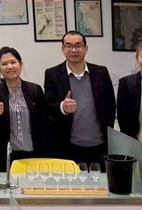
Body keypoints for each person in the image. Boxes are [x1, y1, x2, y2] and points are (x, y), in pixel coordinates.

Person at [44, 30, 116, 166]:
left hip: (100, 144)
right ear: (62, 49)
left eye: (78, 45)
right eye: (69, 46)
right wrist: (63, 107)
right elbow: (48, 106)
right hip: (68, 145)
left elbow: (110, 105)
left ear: (86, 48)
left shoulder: (101, 72)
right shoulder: (52, 74)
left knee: (99, 178)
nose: (74, 50)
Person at [0, 46, 52, 171]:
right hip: (6, 156)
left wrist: (47, 154)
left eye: (13, 62)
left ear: (20, 64)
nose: (10, 67)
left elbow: (44, 124)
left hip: (34, 154)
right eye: (4, 64)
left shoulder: (35, 90)